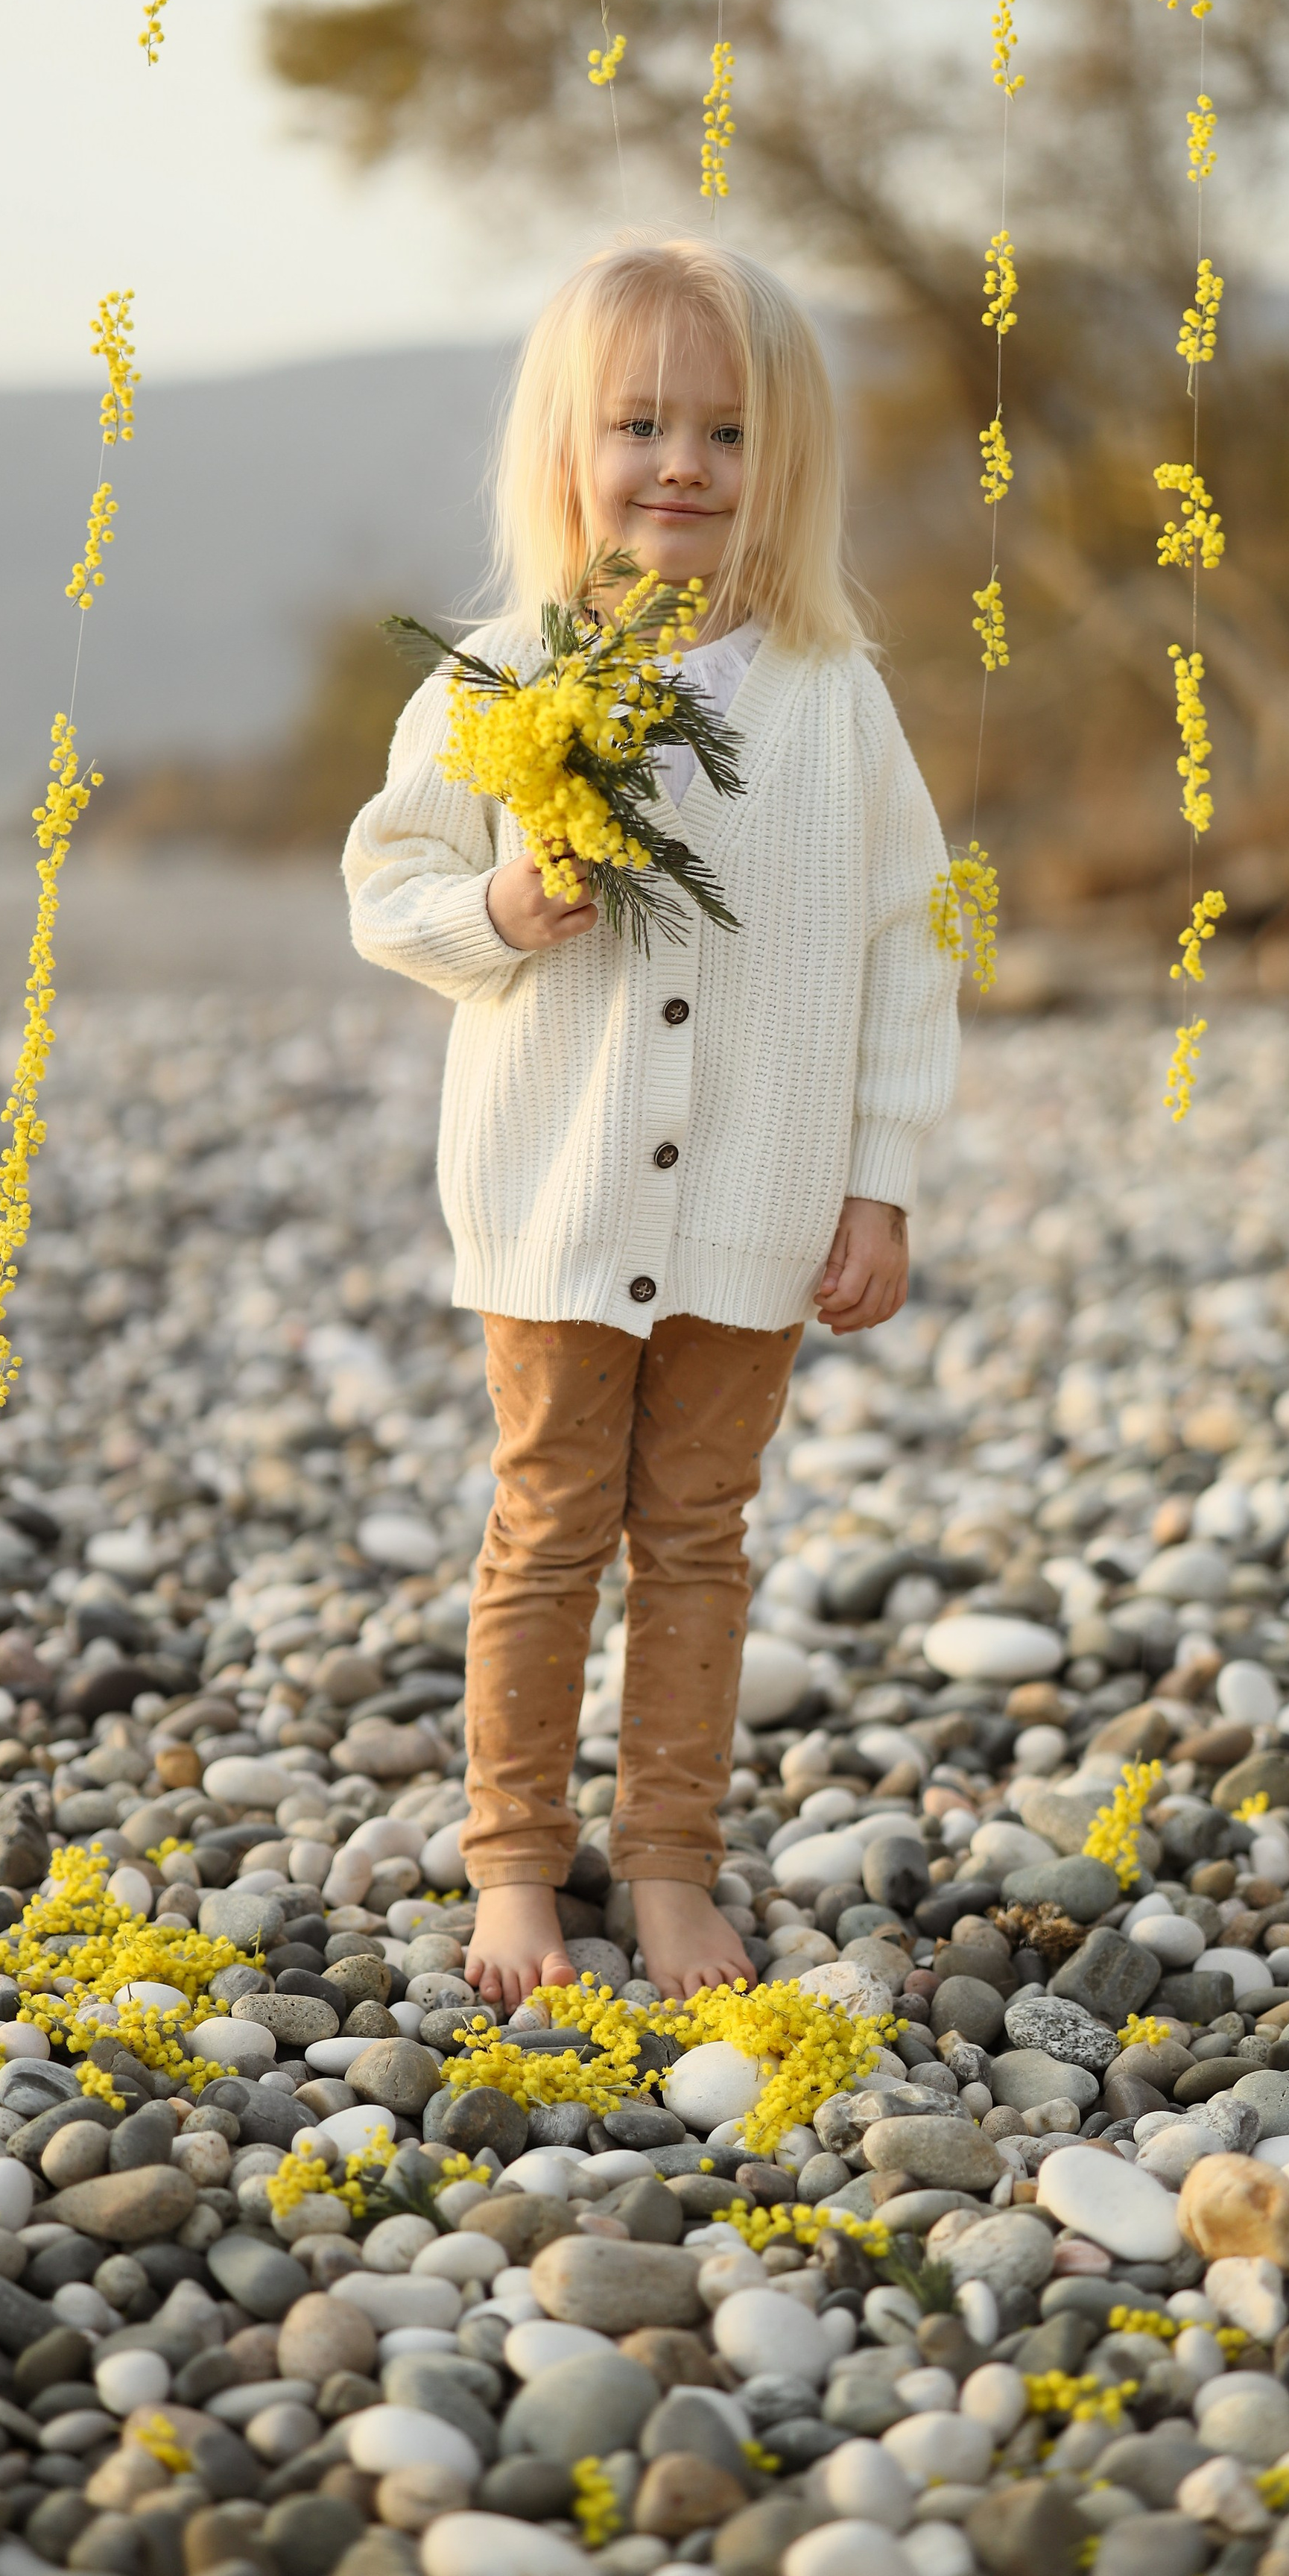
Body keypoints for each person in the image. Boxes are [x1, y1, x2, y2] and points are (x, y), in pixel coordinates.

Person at [343, 237, 959, 2010]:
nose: (679, 463)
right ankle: (516, 1861)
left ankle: (672, 1863)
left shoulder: (833, 696)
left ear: (784, 465)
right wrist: (503, 913)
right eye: (636, 423)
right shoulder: (499, 678)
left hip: (755, 1212)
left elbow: (906, 942)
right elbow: (388, 884)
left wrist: (879, 1180)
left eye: (725, 431)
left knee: (696, 1533)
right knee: (545, 1524)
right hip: (554, 1194)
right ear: (566, 450)